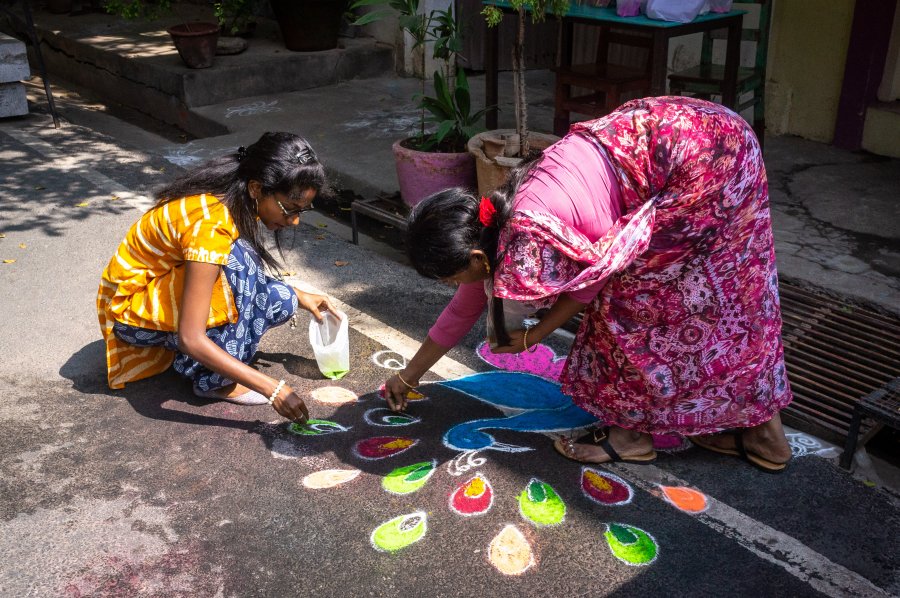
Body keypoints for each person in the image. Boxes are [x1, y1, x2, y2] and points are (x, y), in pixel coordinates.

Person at [384, 97, 793, 472]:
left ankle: (630, 436)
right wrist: (409, 376)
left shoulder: (527, 231)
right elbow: (465, 305)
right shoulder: (492, 220)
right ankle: (763, 433)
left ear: (474, 259)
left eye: (449, 277)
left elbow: (595, 281)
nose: (453, 285)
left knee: (629, 307)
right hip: (717, 135)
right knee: (732, 300)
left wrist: (534, 336)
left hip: (701, 166)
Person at [97, 132, 336, 424]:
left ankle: (211, 361)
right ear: (256, 188)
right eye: (290, 209)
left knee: (282, 299)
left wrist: (299, 295)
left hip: (161, 293)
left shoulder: (232, 198)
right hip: (128, 313)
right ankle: (213, 380)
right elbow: (190, 337)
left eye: (302, 211)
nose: (294, 221)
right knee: (238, 268)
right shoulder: (211, 224)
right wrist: (271, 388)